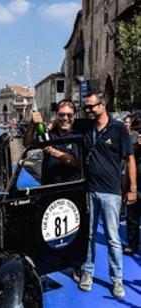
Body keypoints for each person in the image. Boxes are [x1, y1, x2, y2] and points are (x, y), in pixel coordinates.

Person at [76, 92, 136, 298]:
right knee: (90, 235)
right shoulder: (86, 127)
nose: (88, 110)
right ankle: (88, 273)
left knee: (112, 238)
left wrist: (133, 189)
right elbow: (63, 125)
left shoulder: (119, 129)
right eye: (86, 107)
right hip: (90, 191)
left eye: (91, 107)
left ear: (103, 105)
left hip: (111, 192)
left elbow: (130, 160)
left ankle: (117, 280)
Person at [23, 99, 80, 185]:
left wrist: (51, 151)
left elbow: (76, 162)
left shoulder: (79, 135)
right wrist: (32, 124)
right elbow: (27, 143)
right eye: (61, 115)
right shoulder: (49, 135)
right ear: (56, 115)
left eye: (69, 115)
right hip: (49, 188)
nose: (65, 118)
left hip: (71, 188)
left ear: (74, 116)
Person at [124, 117, 141, 255]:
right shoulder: (131, 140)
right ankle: (132, 243)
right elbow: (127, 160)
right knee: (132, 216)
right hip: (135, 184)